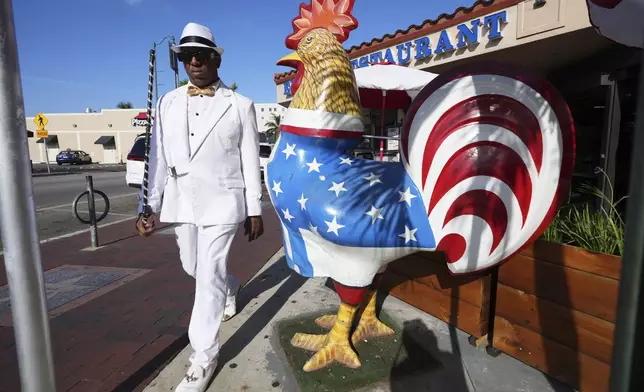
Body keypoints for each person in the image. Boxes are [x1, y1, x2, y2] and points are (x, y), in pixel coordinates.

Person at [135, 22, 264, 392]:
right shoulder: (167, 102)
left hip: (224, 200)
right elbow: (157, 158)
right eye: (187, 56)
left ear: (215, 59)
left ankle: (204, 357)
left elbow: (249, 158)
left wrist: (254, 208)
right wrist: (149, 205)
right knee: (191, 264)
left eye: (203, 55)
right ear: (181, 61)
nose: (195, 61)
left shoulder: (240, 105)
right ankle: (231, 287)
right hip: (181, 200)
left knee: (207, 275)